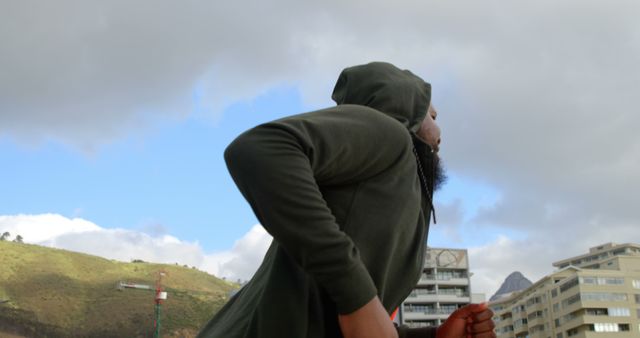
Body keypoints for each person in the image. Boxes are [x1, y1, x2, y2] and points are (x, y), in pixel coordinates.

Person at [198, 62, 495, 338]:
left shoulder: (399, 187)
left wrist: (433, 336)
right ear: (408, 108)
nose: (440, 132)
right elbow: (258, 148)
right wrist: (359, 300)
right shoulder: (390, 133)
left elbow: (343, 321)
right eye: (433, 115)